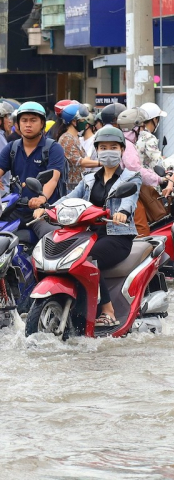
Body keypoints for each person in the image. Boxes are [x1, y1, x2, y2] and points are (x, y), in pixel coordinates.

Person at [34, 126, 142, 328]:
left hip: (117, 236)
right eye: (103, 147)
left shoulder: (131, 177)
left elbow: (130, 199)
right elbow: (69, 198)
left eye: (113, 147)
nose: (107, 151)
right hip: (88, 235)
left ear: (121, 149)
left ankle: (108, 310)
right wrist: (47, 208)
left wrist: (123, 213)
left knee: (87, 259)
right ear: (97, 150)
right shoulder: (89, 178)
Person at [0, 102, 66, 239]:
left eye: (33, 120)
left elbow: (52, 178)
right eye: (24, 120)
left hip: (43, 210)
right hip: (15, 209)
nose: (28, 124)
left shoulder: (53, 148)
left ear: (42, 123)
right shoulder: (12, 148)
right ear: (17, 124)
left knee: (53, 239)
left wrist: (41, 199)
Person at [116, 108, 166, 187]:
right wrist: (159, 179)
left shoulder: (119, 140)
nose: (142, 130)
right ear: (135, 128)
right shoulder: (128, 146)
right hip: (130, 187)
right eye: (141, 127)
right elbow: (135, 170)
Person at [58, 103, 101, 191]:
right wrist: (102, 163)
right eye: (82, 120)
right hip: (71, 186)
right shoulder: (67, 139)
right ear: (74, 121)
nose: (85, 123)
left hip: (78, 184)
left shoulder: (75, 137)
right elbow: (80, 161)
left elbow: (85, 158)